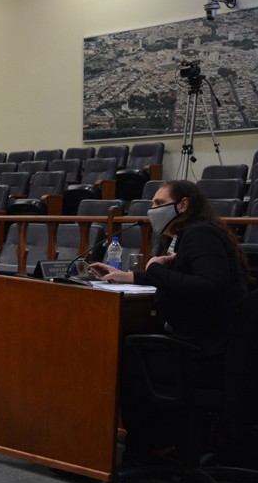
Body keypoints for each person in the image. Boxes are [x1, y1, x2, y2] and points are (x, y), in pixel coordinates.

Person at [91, 179, 247, 457]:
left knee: (118, 355)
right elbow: (181, 277)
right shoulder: (188, 234)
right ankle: (162, 443)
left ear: (183, 205)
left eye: (160, 203)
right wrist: (129, 276)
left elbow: (211, 285)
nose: (152, 210)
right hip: (203, 343)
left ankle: (148, 448)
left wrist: (154, 269)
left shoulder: (200, 233)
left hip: (204, 352)